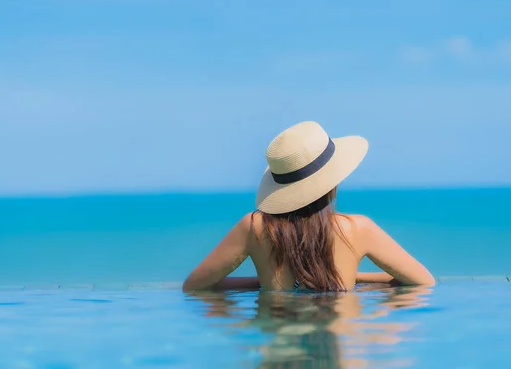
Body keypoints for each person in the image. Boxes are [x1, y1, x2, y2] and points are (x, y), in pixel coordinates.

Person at [182, 121, 435, 292]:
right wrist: (353, 278)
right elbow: (423, 283)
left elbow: (194, 286)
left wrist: (265, 284)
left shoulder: (254, 227)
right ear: (332, 181)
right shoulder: (357, 229)